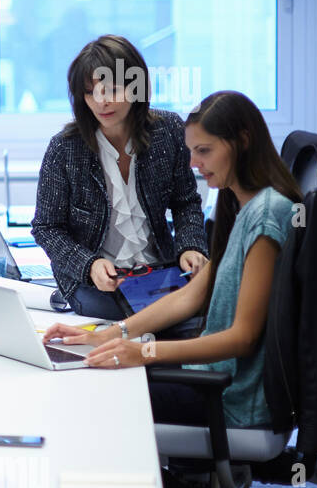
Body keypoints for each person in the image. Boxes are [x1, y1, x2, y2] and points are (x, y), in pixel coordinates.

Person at [42, 91, 304, 488]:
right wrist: (110, 334)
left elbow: (242, 338)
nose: (194, 164)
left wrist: (142, 352)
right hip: (216, 380)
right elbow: (190, 298)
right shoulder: (239, 203)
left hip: (233, 397)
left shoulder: (267, 216)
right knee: (97, 375)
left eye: (204, 151)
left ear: (241, 142)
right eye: (191, 152)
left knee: (100, 398)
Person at [33, 35, 209, 319]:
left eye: (112, 90)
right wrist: (88, 265)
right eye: (90, 93)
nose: (101, 102)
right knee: (127, 319)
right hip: (94, 284)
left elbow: (185, 202)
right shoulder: (65, 148)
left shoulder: (168, 131)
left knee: (197, 306)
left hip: (160, 271)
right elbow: (46, 227)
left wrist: (190, 247)